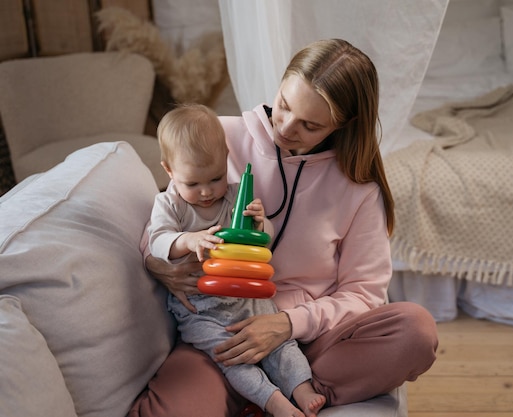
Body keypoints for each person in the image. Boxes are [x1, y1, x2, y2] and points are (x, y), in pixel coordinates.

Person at [130, 39, 438, 417]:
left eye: (310, 125)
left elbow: (365, 294)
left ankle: (289, 392)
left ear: (343, 125)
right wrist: (158, 265)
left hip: (312, 341)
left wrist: (287, 324)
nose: (286, 127)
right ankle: (264, 394)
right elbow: (162, 220)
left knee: (415, 333)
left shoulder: (358, 189)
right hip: (223, 336)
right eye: (285, 105)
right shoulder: (215, 137)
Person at [146, 103, 326, 417]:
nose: (206, 192)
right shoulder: (169, 203)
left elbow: (264, 239)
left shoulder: (233, 196)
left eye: (214, 179)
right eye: (193, 184)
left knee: (281, 346)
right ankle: (275, 402)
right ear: (169, 170)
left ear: (226, 160)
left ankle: (303, 389)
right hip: (200, 308)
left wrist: (261, 224)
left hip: (245, 294)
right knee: (231, 357)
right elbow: (156, 240)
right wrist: (189, 240)